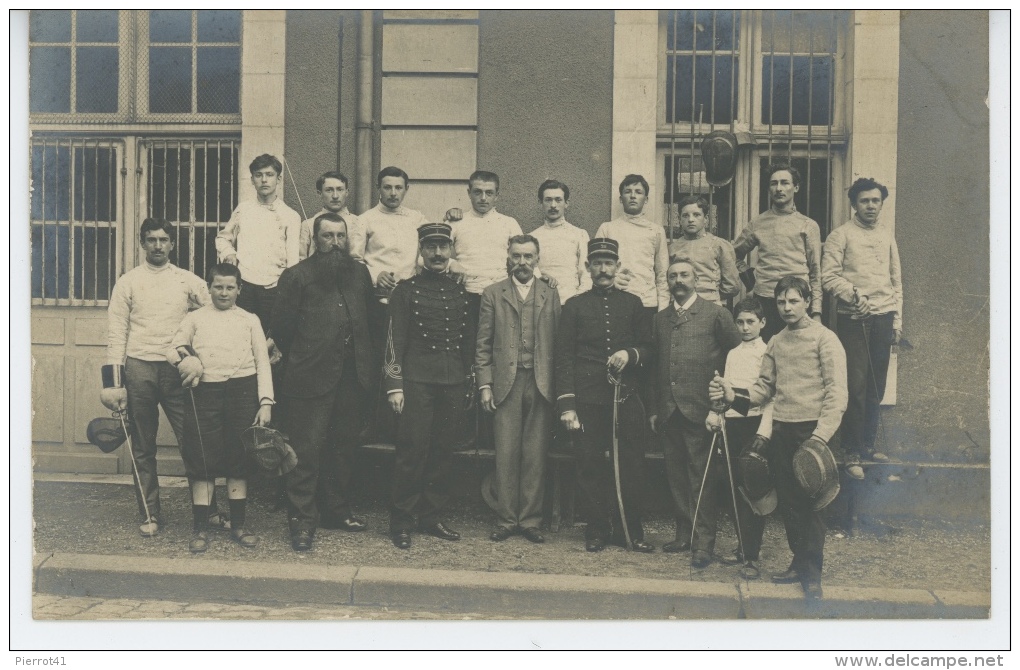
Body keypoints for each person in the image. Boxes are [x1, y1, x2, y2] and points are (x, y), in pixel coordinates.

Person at [710, 276, 848, 599]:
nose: (787, 307)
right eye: (782, 302)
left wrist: (820, 437)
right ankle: (799, 563)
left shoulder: (825, 340)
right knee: (790, 502)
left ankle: (811, 576)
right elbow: (762, 390)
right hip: (783, 431)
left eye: (794, 301)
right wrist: (732, 395)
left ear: (807, 301)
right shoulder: (776, 342)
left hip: (815, 433)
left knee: (815, 504)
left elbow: (837, 395)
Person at [102, 218, 226, 537]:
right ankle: (149, 512)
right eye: (152, 240)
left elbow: (216, 310)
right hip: (139, 368)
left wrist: (200, 353)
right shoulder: (128, 282)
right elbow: (116, 332)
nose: (158, 245)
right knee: (143, 445)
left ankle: (209, 510)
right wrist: (114, 383)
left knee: (194, 441)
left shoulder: (187, 280)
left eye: (164, 240)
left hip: (176, 369)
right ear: (142, 244)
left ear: (172, 244)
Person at [271, 213, 376, 551]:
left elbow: (370, 320)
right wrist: (311, 355)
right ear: (315, 239)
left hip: (351, 377)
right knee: (306, 449)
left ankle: (336, 510)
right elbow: (283, 330)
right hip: (309, 376)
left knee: (343, 447)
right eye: (327, 236)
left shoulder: (359, 273)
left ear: (347, 239)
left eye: (340, 236)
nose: (334, 243)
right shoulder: (296, 276)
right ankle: (302, 520)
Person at [555, 238, 654, 553]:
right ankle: (596, 530)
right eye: (596, 263)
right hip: (588, 400)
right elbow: (564, 358)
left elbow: (649, 348)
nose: (603, 269)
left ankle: (630, 530)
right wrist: (568, 406)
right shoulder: (574, 306)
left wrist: (630, 353)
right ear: (587, 267)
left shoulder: (634, 304)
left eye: (608, 263)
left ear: (618, 266)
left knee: (632, 465)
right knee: (589, 465)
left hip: (626, 398)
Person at [168, 263, 274, 553]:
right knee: (202, 460)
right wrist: (185, 360)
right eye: (218, 287)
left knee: (238, 460)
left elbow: (263, 362)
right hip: (205, 393)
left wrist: (265, 402)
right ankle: (200, 529)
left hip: (242, 393)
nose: (224, 293)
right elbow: (174, 346)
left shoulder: (250, 319)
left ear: (239, 289)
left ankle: (239, 525)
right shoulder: (196, 318)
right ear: (209, 288)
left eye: (230, 287)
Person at [384, 223, 474, 549]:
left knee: (443, 452)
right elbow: (394, 341)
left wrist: (467, 382)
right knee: (412, 451)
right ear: (421, 251)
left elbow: (468, 343)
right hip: (416, 381)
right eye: (431, 247)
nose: (437, 254)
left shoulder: (461, 292)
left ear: (451, 250)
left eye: (443, 247)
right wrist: (395, 385)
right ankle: (402, 520)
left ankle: (432, 515)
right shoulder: (406, 290)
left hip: (452, 381)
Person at [648, 258, 741, 567]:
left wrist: (722, 402)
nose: (679, 280)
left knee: (701, 477)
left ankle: (704, 543)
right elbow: (656, 368)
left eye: (685, 274)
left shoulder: (716, 314)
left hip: (702, 410)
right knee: (676, 476)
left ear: (696, 279)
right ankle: (683, 533)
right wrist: (655, 408)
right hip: (669, 410)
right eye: (673, 275)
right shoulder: (661, 319)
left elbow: (736, 356)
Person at [475, 235, 561, 543]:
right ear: (508, 258)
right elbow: (482, 344)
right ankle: (506, 519)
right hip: (505, 383)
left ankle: (530, 520)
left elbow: (558, 342)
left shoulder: (551, 293)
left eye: (528, 256)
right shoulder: (493, 294)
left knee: (535, 454)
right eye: (517, 256)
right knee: (506, 453)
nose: (522, 262)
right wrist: (485, 384)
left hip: (540, 383)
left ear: (538, 259)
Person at [821, 177, 902, 479]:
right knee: (855, 386)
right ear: (854, 204)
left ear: (881, 203)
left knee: (876, 386)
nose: (870, 206)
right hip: (853, 319)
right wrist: (855, 294)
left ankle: (867, 446)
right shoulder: (840, 236)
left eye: (875, 201)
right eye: (864, 201)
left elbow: (896, 281)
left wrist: (897, 321)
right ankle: (851, 450)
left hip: (883, 317)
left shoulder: (886, 235)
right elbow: (828, 277)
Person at [707, 297, 774, 579]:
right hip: (732, 425)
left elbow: (772, 396)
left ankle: (752, 556)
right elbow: (727, 393)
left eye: (751, 322)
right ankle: (742, 547)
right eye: (740, 322)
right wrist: (717, 414)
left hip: (756, 425)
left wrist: (764, 432)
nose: (745, 327)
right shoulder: (733, 353)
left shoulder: (768, 352)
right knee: (734, 487)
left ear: (762, 323)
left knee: (753, 491)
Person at [733, 162, 823, 342]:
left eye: (785, 183)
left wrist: (816, 311)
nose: (779, 188)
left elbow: (815, 271)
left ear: (796, 187)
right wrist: (750, 282)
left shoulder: (808, 225)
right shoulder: (757, 223)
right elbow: (733, 254)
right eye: (774, 183)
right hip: (765, 300)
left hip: (797, 301)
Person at [215, 154, 302, 330]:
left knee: (270, 337)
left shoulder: (291, 216)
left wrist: (287, 292)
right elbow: (223, 237)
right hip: (245, 285)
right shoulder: (243, 209)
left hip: (274, 287)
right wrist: (229, 253)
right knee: (241, 333)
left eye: (269, 175)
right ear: (252, 179)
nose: (264, 180)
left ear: (278, 179)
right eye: (258, 175)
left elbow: (293, 262)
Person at [595, 174, 670, 315]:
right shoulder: (607, 228)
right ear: (620, 199)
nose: (633, 196)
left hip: (646, 302)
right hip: (614, 300)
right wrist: (612, 280)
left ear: (646, 199)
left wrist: (663, 309)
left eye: (638, 192)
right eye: (628, 191)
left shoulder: (656, 231)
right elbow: (596, 266)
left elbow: (662, 273)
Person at [667, 196, 740, 305]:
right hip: (681, 305)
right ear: (679, 220)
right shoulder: (673, 248)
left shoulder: (719, 245)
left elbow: (732, 285)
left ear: (706, 219)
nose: (691, 220)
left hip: (710, 304)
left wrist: (712, 296)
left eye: (696, 215)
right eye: (685, 216)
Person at [530, 179, 591, 304]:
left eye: (558, 200)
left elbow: (586, 273)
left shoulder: (579, 235)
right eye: (548, 200)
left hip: (571, 303)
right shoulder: (532, 237)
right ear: (540, 203)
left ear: (566, 203)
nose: (553, 205)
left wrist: (578, 301)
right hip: (540, 303)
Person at [298, 171, 363, 262]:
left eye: (340, 189)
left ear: (346, 192)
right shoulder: (308, 224)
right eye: (329, 190)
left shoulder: (357, 222)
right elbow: (301, 260)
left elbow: (357, 260)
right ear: (319, 193)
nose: (335, 196)